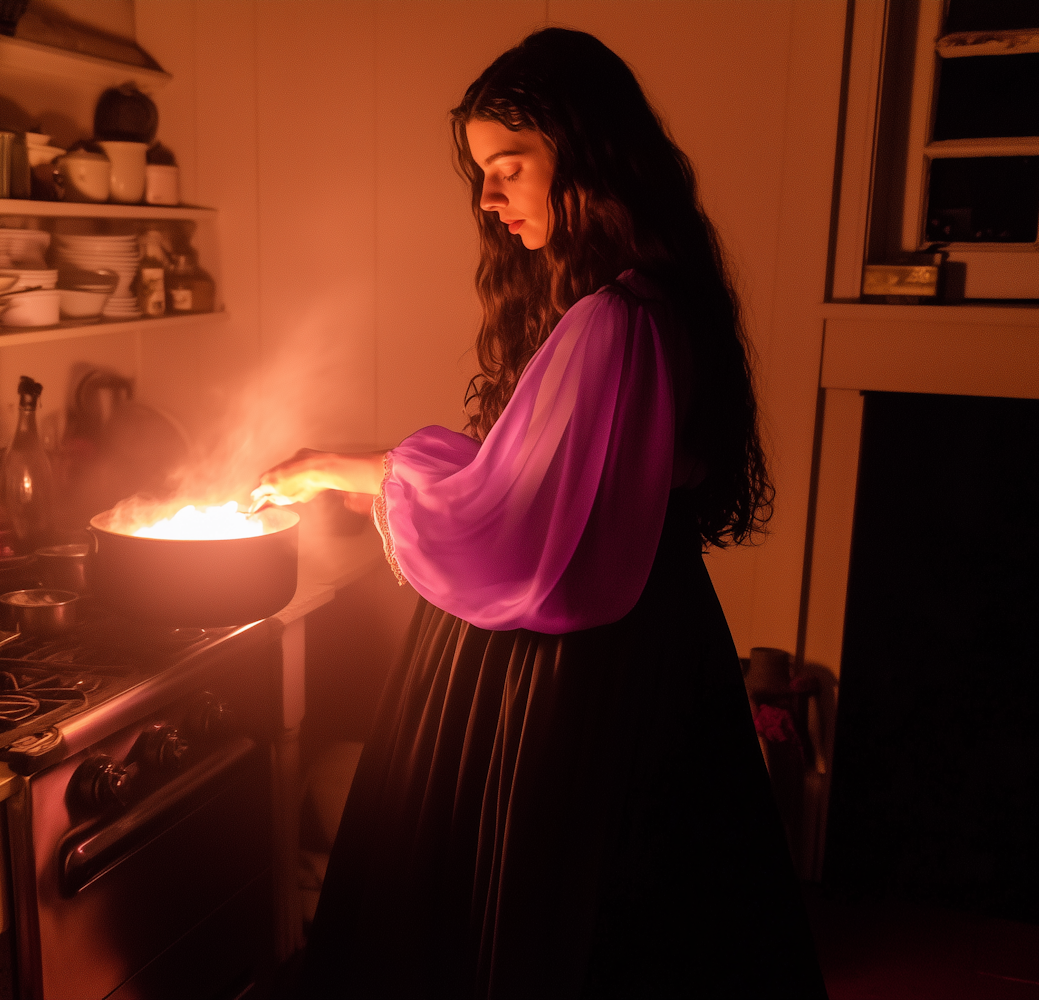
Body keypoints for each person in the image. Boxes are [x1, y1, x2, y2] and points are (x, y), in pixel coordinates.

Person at [253, 27, 828, 999]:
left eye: (508, 166)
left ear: (586, 154)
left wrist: (337, 467)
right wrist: (366, 474)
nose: (487, 196)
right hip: (657, 643)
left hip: (572, 670)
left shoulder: (616, 320)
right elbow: (550, 479)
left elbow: (515, 526)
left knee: (532, 912)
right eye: (481, 171)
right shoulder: (657, 297)